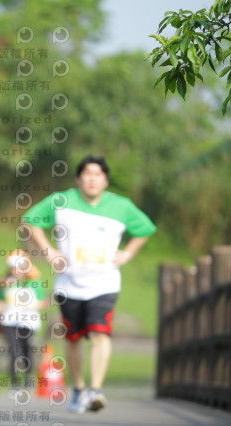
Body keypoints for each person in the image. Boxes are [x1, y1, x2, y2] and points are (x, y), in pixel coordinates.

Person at [23, 155, 156, 413]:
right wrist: (49, 252)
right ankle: (79, 390)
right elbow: (30, 221)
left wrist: (127, 253)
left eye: (98, 174)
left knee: (99, 332)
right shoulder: (62, 201)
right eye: (88, 173)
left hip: (104, 283)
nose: (93, 179)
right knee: (73, 338)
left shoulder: (122, 206)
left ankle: (95, 390)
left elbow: (145, 229)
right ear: (78, 178)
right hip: (69, 283)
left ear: (105, 180)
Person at [0, 250, 49, 394]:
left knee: (26, 350)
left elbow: (43, 302)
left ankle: (29, 377)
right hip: (10, 320)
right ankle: (14, 383)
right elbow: (1, 300)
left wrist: (30, 306)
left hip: (28, 321)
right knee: (13, 351)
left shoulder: (34, 283)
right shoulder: (7, 282)